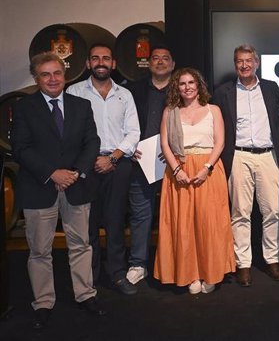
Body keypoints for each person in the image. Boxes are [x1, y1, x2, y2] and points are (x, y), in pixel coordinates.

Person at [11, 52, 105, 330]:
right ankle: (43, 302)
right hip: (40, 188)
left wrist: (74, 174)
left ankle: (85, 295)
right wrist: (52, 173)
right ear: (36, 78)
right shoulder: (25, 107)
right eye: (45, 74)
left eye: (57, 73)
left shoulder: (81, 105)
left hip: (77, 186)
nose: (53, 79)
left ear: (65, 75)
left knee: (81, 245)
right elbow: (21, 147)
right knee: (39, 250)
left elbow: (92, 142)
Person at [67, 44, 140, 295]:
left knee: (115, 221)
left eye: (106, 58)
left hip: (117, 165)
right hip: (85, 167)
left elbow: (133, 132)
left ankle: (117, 274)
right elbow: (70, 135)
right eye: (96, 58)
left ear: (114, 63)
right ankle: (90, 276)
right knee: (87, 225)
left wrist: (115, 158)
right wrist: (90, 160)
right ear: (88, 63)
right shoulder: (74, 92)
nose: (101, 62)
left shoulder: (125, 95)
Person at [154, 68, 235, 293]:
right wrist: (177, 169)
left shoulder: (213, 110)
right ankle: (189, 274)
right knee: (184, 224)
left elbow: (220, 142)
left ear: (199, 85)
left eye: (191, 82)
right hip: (179, 172)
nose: (187, 87)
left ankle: (211, 272)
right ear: (176, 88)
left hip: (208, 170)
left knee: (209, 224)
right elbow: (165, 144)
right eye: (182, 83)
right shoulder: (170, 112)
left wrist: (206, 168)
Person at [214, 44, 279, 287]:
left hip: (268, 155)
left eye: (248, 61)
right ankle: (243, 263)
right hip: (239, 156)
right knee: (240, 213)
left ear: (256, 63)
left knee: (272, 211)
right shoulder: (223, 92)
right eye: (239, 61)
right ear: (235, 65)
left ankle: (272, 259)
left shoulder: (271, 88)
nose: (244, 65)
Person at [122, 46, 175, 286]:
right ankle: (138, 263)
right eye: (156, 58)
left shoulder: (182, 88)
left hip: (173, 163)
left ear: (172, 64)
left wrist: (175, 151)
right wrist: (128, 149)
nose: (160, 62)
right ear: (149, 63)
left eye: (165, 59)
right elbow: (120, 123)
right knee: (140, 215)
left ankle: (175, 262)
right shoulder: (132, 90)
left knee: (174, 216)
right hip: (140, 162)